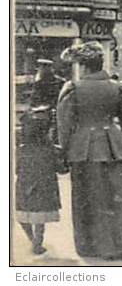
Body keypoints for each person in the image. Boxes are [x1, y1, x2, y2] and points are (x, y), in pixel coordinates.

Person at [56, 41, 122, 259]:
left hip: (82, 149)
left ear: (82, 66)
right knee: (116, 195)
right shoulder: (119, 87)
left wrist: (63, 152)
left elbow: (65, 126)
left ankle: (92, 246)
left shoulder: (73, 89)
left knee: (87, 198)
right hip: (112, 146)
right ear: (100, 63)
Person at [15, 105, 62, 255]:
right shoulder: (50, 150)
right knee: (40, 219)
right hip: (44, 187)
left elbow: (17, 169)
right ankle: (37, 243)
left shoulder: (21, 150)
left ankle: (32, 239)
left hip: (24, 187)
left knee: (23, 216)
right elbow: (61, 169)